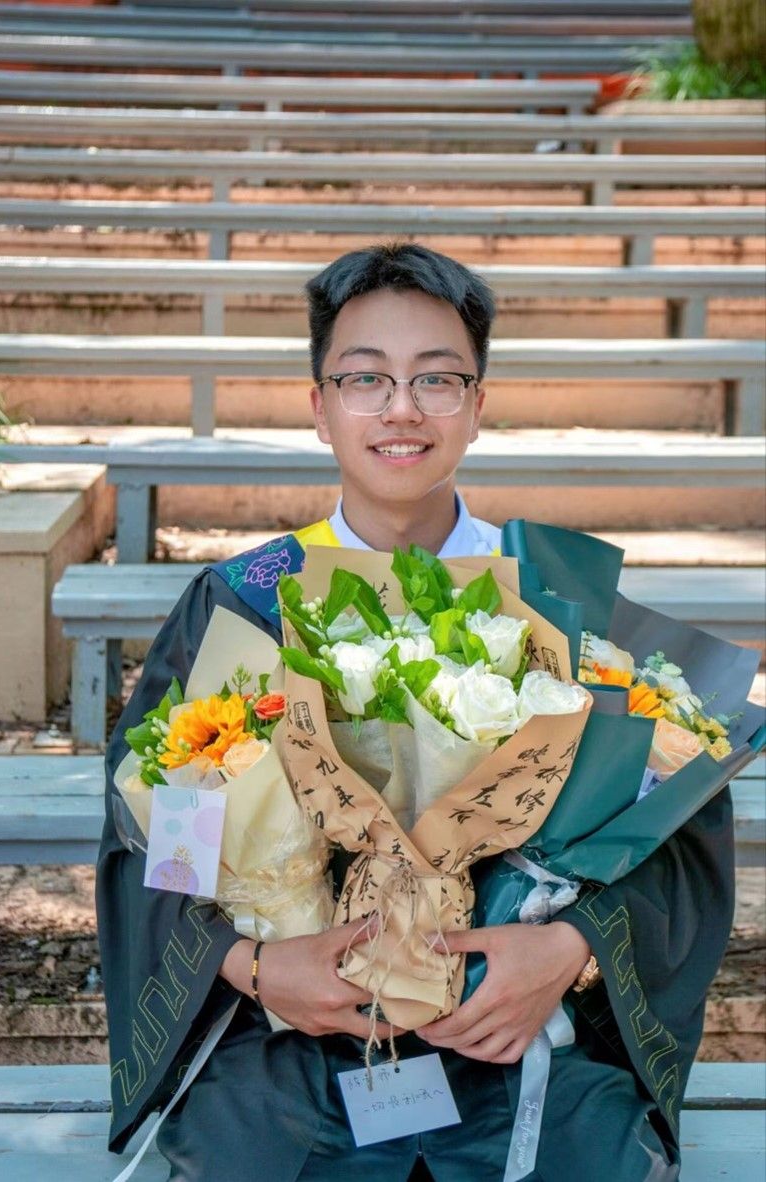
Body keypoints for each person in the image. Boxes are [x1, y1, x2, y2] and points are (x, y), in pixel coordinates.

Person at [97, 244, 734, 1181]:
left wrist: (567, 949)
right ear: (320, 407)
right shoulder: (246, 604)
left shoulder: (554, 599)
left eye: (437, 379)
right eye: (366, 378)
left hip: (514, 1024)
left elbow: (675, 833)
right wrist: (251, 967)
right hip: (296, 1033)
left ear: (478, 404)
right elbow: (163, 830)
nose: (401, 409)